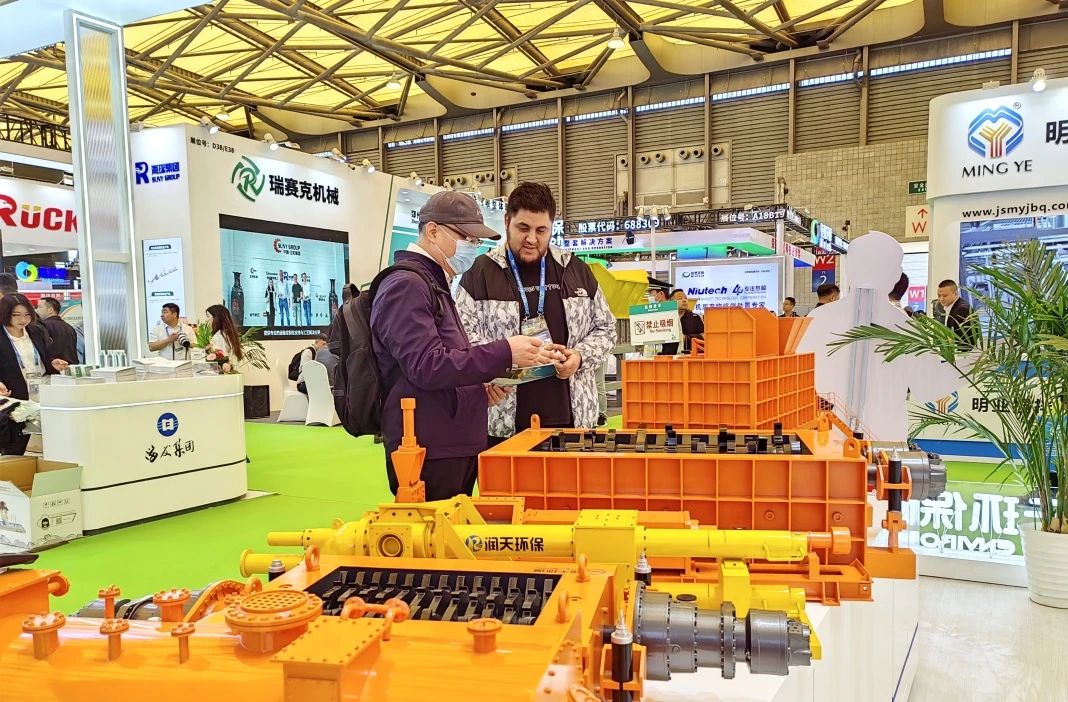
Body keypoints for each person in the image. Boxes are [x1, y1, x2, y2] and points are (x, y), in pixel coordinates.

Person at [372, 190, 553, 501]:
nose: (473, 246)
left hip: (449, 441)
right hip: (429, 448)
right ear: (432, 231)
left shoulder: (432, 283)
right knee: (438, 529)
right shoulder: (407, 285)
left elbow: (444, 362)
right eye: (466, 237)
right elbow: (426, 366)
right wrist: (505, 351)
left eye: (476, 240)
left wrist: (477, 392)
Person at [457, 182, 617, 443]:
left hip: (573, 421)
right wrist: (503, 360)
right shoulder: (480, 273)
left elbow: (606, 328)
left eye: (541, 230)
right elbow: (462, 337)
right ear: (507, 221)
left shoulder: (574, 269)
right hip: (503, 424)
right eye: (523, 228)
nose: (532, 239)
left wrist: (579, 357)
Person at [0, 294, 68, 454]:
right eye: (16, 315)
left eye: (27, 314)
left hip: (41, 393)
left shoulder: (36, 331)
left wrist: (53, 363)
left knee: (52, 442)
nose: (22, 319)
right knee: (13, 447)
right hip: (14, 398)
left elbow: (46, 356)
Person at [36, 297, 79, 364]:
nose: (36, 310)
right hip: (70, 366)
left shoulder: (43, 327)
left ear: (50, 310)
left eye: (40, 307)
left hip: (55, 366)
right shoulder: (70, 328)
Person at [662, 289, 704, 355]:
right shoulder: (665, 318)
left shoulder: (695, 317)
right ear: (671, 302)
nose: (684, 300)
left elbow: (704, 337)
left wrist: (685, 338)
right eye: (680, 298)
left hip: (690, 355)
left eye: (686, 298)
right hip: (669, 356)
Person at [205, 304, 243, 373]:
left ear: (216, 318)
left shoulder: (219, 336)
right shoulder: (227, 334)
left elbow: (222, 359)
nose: (206, 320)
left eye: (208, 316)